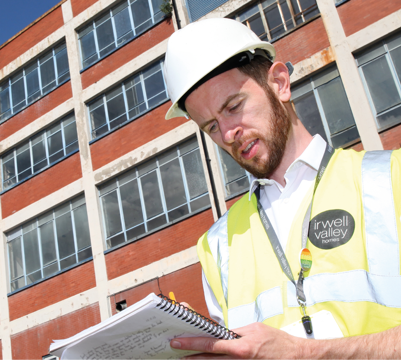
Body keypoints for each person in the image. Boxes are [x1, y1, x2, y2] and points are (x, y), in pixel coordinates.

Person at [163, 18, 401, 359]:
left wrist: (307, 353)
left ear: (279, 82)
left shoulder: (390, 179)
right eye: (212, 126)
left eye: (233, 107)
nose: (228, 134)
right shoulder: (217, 248)